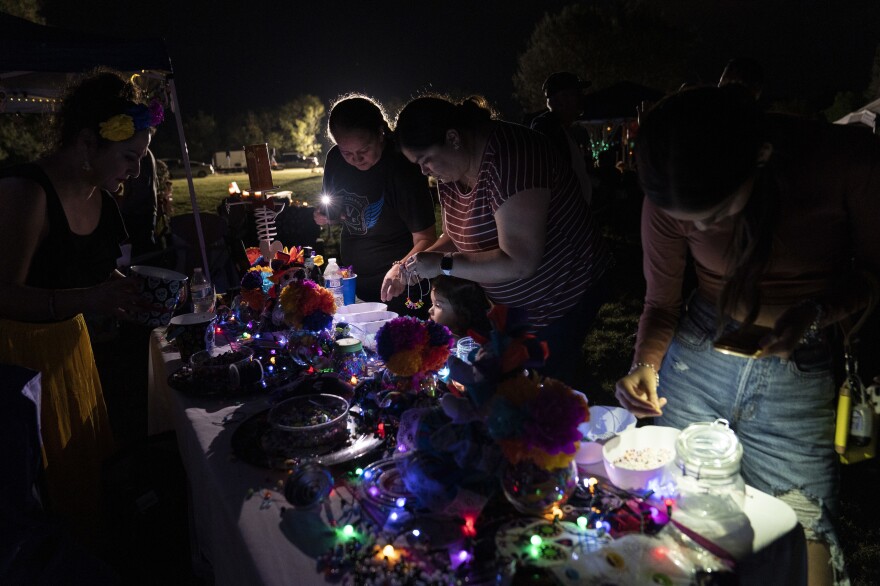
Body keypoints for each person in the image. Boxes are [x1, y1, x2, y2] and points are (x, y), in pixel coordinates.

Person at [614, 86, 880, 585]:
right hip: (698, 357)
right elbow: (661, 303)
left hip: (800, 370)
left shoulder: (846, 161)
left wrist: (817, 313)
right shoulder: (668, 194)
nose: (702, 228)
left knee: (800, 532)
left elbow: (873, 272)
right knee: (667, 506)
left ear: (760, 159)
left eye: (714, 215)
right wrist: (644, 364)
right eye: (688, 223)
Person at [0, 68, 162, 546]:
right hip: (17, 364)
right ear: (89, 143)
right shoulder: (25, 193)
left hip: (71, 350)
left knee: (83, 476)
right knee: (36, 488)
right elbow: (3, 292)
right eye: (129, 157)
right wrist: (90, 299)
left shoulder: (100, 200)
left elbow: (84, 273)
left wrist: (128, 292)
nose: (134, 171)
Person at [393, 95, 613, 383]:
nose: (423, 171)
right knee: (512, 382)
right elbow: (457, 234)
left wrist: (442, 264)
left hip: (564, 290)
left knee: (546, 387)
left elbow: (520, 261)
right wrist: (415, 264)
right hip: (513, 305)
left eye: (425, 160)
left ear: (453, 137)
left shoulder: (512, 158)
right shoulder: (452, 170)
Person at [314, 95, 437, 316]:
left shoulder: (402, 167)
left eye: (363, 150)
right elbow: (336, 209)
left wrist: (401, 269)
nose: (355, 159)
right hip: (355, 283)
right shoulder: (335, 159)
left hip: (400, 287)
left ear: (381, 133)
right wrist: (326, 215)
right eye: (347, 152)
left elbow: (427, 239)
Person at [530, 71, 593, 205]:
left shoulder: (563, 129)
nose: (582, 97)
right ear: (560, 99)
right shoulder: (546, 127)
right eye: (577, 93)